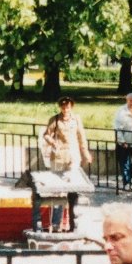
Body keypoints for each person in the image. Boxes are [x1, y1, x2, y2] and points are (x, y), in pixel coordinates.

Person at [40, 96, 91, 231]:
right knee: (58, 190)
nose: (65, 109)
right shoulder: (55, 119)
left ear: (71, 106)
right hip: (58, 157)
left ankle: (73, 224)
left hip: (73, 157)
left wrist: (86, 153)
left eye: (67, 106)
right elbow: (46, 134)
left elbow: (81, 137)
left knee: (72, 189)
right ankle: (56, 224)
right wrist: (52, 142)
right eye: (63, 106)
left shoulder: (76, 119)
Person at [113, 92, 132, 186]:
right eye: (130, 100)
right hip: (124, 141)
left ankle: (128, 176)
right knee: (124, 162)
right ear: (127, 100)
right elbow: (117, 127)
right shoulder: (121, 111)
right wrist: (122, 141)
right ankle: (127, 182)